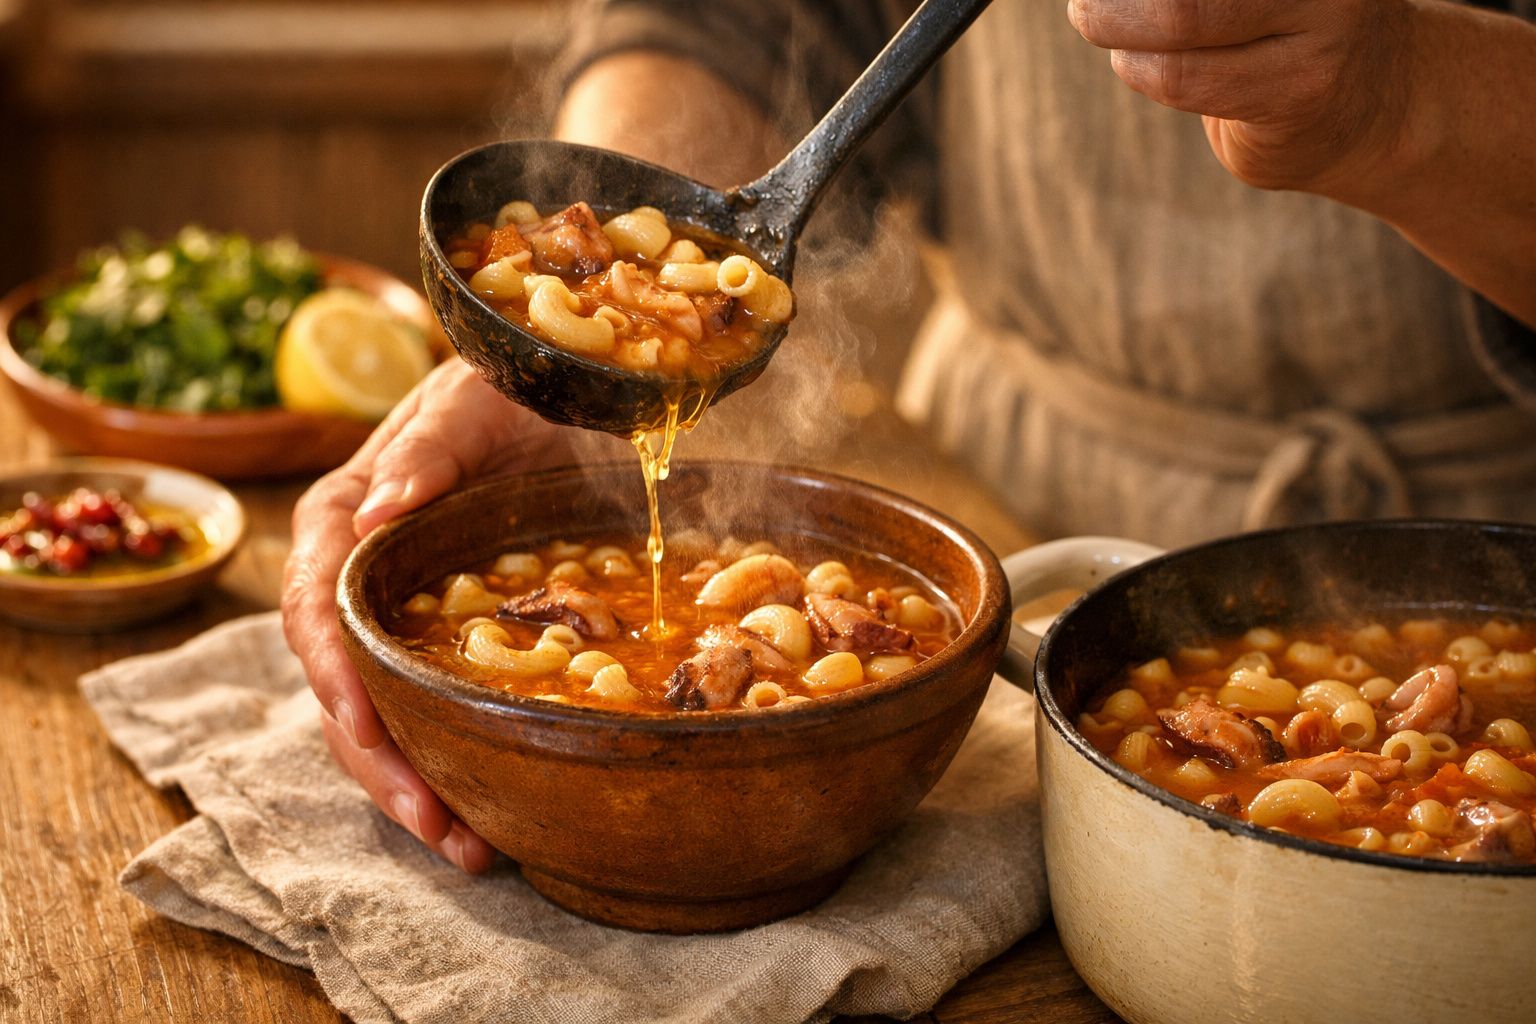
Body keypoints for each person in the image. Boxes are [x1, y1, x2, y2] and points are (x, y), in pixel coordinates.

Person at [282, 0, 1536, 870]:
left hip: (1501, 549)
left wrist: (1407, 91)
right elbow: (739, 22)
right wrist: (600, 311)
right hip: (1025, 508)